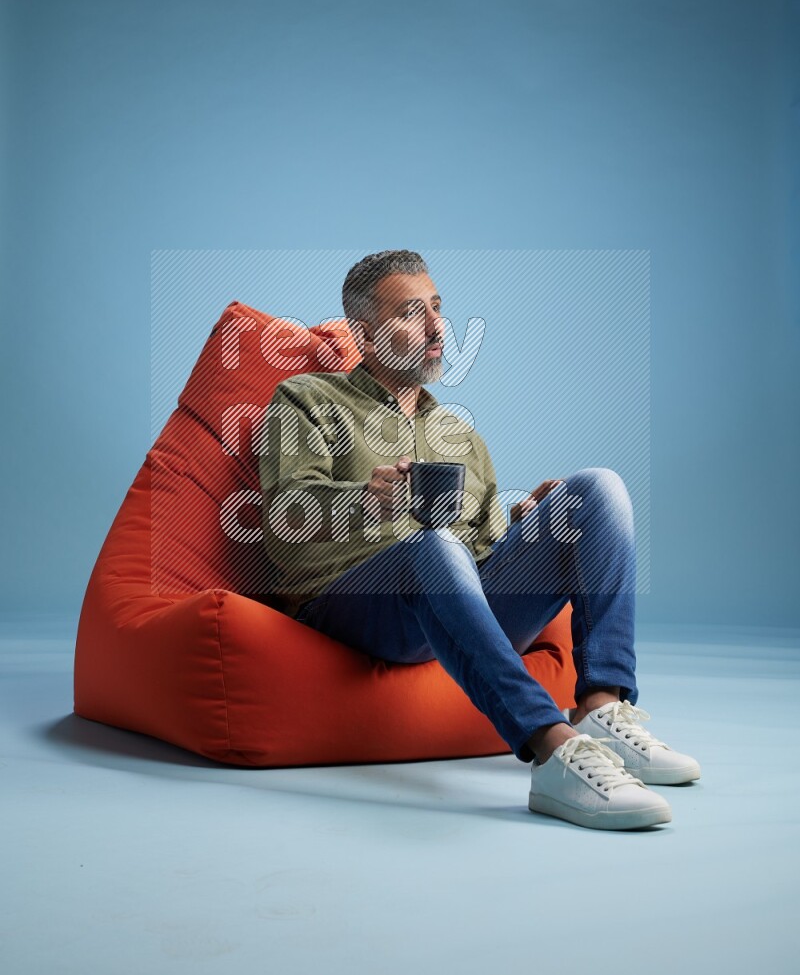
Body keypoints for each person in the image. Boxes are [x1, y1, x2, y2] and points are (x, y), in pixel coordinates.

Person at [258, 249, 700, 831]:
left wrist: (525, 523)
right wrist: (365, 499)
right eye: (411, 314)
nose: (438, 327)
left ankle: (601, 706)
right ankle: (554, 751)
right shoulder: (306, 399)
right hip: (355, 604)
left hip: (450, 601)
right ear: (364, 334)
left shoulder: (460, 434)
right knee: (435, 547)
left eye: (437, 308)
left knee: (598, 491)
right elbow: (284, 526)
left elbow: (483, 551)